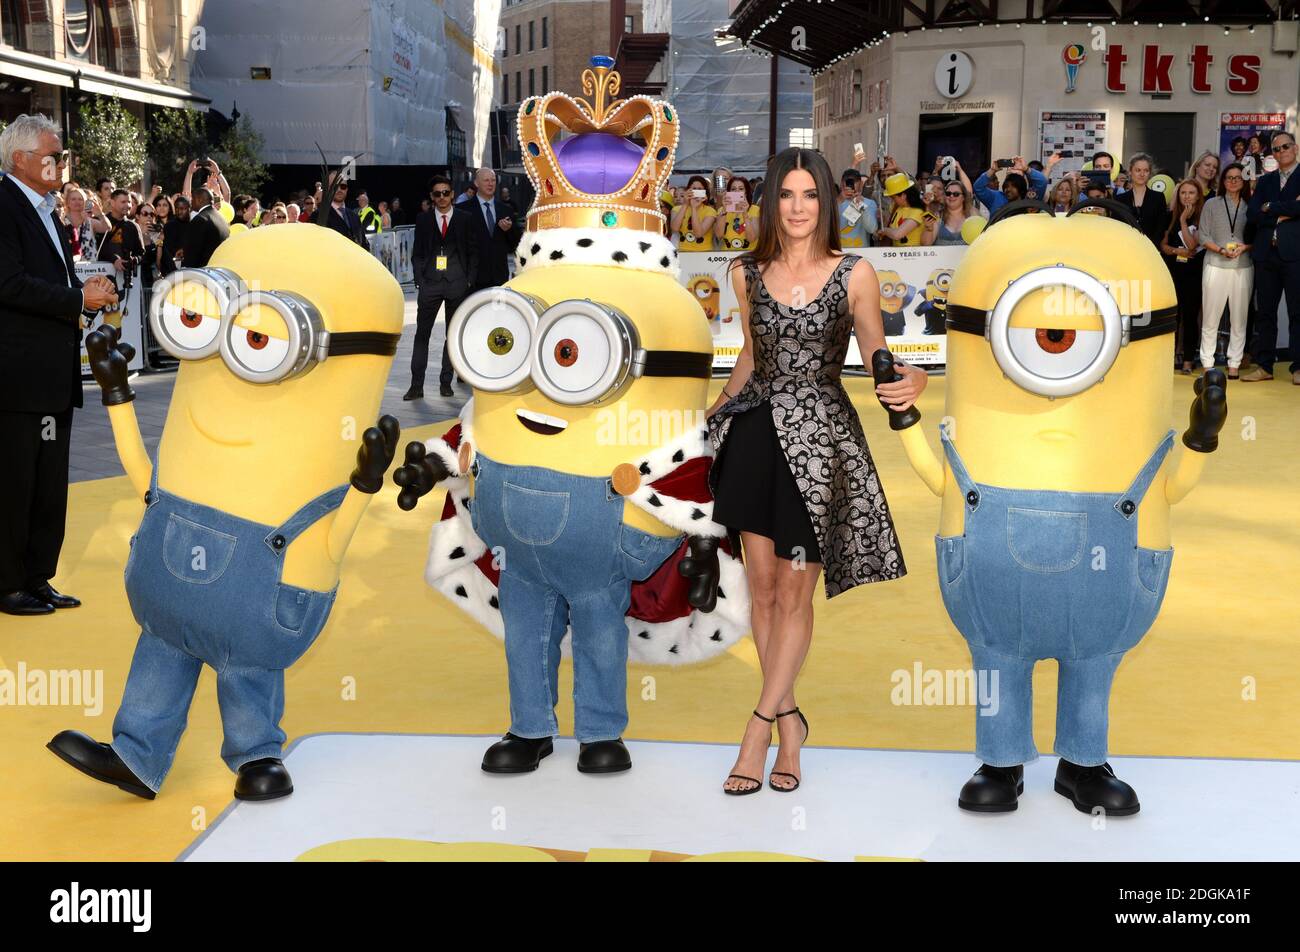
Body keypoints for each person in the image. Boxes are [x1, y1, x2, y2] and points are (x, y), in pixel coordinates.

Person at [707, 147, 927, 794]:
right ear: (771, 202)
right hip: (754, 435)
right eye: (787, 195)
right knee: (764, 589)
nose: (799, 208)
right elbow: (750, 354)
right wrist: (712, 416)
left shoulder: (854, 272)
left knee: (798, 592)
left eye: (810, 195)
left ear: (825, 202)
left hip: (821, 443)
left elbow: (876, 349)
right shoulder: (744, 272)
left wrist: (909, 375)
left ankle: (759, 727)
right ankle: (792, 719)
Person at [0, 114, 118, 615]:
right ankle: (6, 584)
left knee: (49, 484)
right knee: (14, 484)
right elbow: (9, 284)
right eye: (51, 155)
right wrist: (77, 300)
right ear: (20, 159)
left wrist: (88, 301)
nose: (59, 164)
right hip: (16, 380)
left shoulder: (48, 210)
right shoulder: (3, 206)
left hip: (51, 375)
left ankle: (38, 577)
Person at [407, 175, 478, 400]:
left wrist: (469, 280)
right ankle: (416, 386)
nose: (442, 198)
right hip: (430, 284)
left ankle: (445, 382)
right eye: (437, 194)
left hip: (457, 283)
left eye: (445, 192)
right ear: (432, 197)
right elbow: (417, 252)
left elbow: (473, 252)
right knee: (422, 335)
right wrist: (420, 279)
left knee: (452, 334)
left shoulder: (466, 219)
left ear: (452, 194)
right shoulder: (423, 219)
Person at [1243, 129, 1300, 383]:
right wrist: (1286, 210)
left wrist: (1271, 207)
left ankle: (1298, 367)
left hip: (1295, 253)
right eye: (1276, 149)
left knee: (1297, 312)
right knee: (1265, 312)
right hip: (1266, 254)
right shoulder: (1265, 181)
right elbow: (1253, 215)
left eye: (1285, 147)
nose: (1280, 152)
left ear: (1295, 148)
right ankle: (1264, 366)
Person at [1199, 163, 1253, 380]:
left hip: (1243, 266)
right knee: (1211, 318)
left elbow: (1257, 237)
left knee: (1239, 318)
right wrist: (1221, 250)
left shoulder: (1251, 206)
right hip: (1215, 264)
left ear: (1243, 181)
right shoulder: (1212, 204)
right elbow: (1203, 236)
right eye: (1229, 178)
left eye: (1237, 178)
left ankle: (1234, 362)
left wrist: (1245, 247)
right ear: (1222, 181)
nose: (1233, 181)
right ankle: (1207, 363)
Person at [1160, 179, 1205, 374]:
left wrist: (1183, 222)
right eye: (1183, 193)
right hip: (1173, 272)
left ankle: (1188, 359)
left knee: (1190, 316)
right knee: (1173, 317)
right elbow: (1163, 245)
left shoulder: (1203, 217)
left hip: (1194, 274)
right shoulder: (1169, 216)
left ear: (1198, 196)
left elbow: (1193, 245)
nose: (1187, 196)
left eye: (1191, 193)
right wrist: (1175, 250)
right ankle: (1169, 357)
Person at [465, 167, 520, 289]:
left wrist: (509, 230)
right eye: (486, 180)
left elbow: (515, 244)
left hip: (499, 277)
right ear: (476, 183)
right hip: (473, 279)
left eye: (493, 180)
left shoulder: (506, 210)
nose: (490, 184)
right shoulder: (463, 210)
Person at [1115, 152, 1169, 248]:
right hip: (1125, 248)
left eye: (1146, 170)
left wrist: (1150, 246)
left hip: (1151, 249)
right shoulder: (1120, 199)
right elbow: (1117, 226)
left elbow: (1161, 227)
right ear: (1130, 171)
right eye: (1138, 170)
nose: (1142, 174)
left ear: (1150, 173)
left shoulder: (1158, 198)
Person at [96, 188, 146, 290]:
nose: (128, 205)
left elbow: (141, 253)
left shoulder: (133, 226)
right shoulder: (101, 223)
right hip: (102, 280)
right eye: (123, 202)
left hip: (129, 281)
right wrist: (114, 259)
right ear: (113, 203)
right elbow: (97, 249)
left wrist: (134, 260)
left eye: (129, 202)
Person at [973, 155, 1053, 214]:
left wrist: (1026, 169)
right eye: (1010, 171)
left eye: (1017, 171)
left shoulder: (1030, 197)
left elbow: (1042, 181)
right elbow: (978, 188)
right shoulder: (996, 197)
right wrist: (992, 170)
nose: (1009, 189)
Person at [180, 186, 231, 268]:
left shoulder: (200, 219)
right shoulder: (221, 218)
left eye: (192, 199)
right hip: (219, 269)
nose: (190, 202)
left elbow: (193, 253)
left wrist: (185, 271)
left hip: (203, 273)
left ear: (200, 200)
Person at [712, 175, 762, 251]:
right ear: (728, 192)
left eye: (741, 189)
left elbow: (752, 238)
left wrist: (745, 213)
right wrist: (725, 210)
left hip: (748, 256)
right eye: (733, 189)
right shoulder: (722, 210)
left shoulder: (755, 210)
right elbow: (719, 235)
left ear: (746, 192)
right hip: (727, 256)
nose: (737, 191)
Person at [875, 172, 925, 246]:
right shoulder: (897, 208)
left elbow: (897, 235)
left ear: (903, 195)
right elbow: (891, 228)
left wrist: (884, 230)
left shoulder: (917, 212)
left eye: (893, 197)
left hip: (912, 256)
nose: (891, 200)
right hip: (897, 254)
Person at [924, 179, 980, 245]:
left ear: (963, 197)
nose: (951, 196)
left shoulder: (973, 214)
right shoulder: (938, 215)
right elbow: (926, 244)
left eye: (956, 194)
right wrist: (929, 229)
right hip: (942, 255)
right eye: (948, 193)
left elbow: (980, 243)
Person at [671, 175, 717, 250]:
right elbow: (674, 229)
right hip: (683, 252)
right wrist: (685, 204)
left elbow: (698, 234)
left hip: (704, 252)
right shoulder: (676, 209)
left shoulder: (710, 211)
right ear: (688, 190)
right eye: (693, 188)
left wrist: (694, 208)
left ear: (705, 191)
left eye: (699, 189)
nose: (696, 191)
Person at [837, 169, 878, 249]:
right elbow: (826, 225)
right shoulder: (832, 202)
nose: (852, 185)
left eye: (855, 181)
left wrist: (860, 205)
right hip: (838, 251)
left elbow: (872, 229)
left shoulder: (869, 203)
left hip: (861, 252)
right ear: (842, 183)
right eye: (848, 181)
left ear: (860, 183)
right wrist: (839, 200)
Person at [159, 193, 190, 276]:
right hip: (172, 270)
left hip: (190, 269)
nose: (179, 211)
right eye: (177, 208)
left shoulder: (194, 224)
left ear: (189, 209)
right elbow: (167, 252)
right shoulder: (169, 226)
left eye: (183, 208)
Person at [62, 187, 96, 261]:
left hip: (90, 267)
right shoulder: (61, 221)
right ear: (67, 202)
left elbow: (107, 227)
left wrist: (100, 214)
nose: (77, 202)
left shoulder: (90, 220)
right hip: (68, 264)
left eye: (80, 199)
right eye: (73, 199)